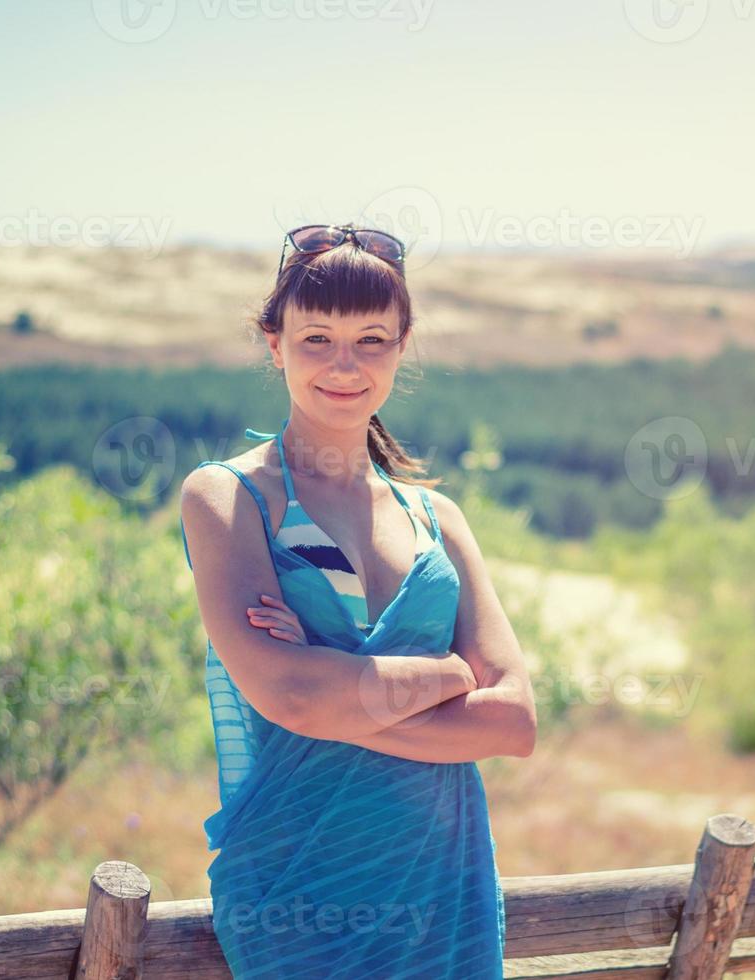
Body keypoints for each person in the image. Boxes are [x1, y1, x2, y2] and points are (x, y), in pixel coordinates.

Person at [178, 223, 537, 978]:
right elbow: (298, 701)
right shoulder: (229, 498)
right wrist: (446, 675)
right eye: (317, 339)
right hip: (298, 896)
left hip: (446, 890)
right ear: (274, 344)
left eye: (372, 339)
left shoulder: (437, 520)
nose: (345, 366)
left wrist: (338, 693)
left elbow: (512, 720)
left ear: (403, 346)